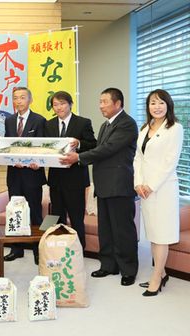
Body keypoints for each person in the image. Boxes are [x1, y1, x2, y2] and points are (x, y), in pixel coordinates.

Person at [61, 87, 138, 286]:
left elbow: (108, 149)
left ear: (117, 103)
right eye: (100, 101)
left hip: (119, 184)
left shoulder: (127, 124)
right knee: (106, 228)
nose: (100, 105)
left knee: (122, 229)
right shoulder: (106, 125)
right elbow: (97, 148)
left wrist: (78, 158)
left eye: (104, 101)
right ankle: (108, 265)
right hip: (104, 184)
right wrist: (78, 148)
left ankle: (128, 269)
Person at [134, 89, 183, 296]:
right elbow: (138, 158)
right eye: (153, 103)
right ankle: (161, 272)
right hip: (144, 190)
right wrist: (138, 184)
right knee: (153, 234)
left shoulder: (175, 128)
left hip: (162, 189)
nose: (157, 106)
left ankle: (156, 278)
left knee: (161, 235)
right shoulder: (145, 127)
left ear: (168, 105)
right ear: (148, 107)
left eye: (161, 103)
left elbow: (170, 162)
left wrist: (151, 185)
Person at [44, 91, 97, 249]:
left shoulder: (83, 122)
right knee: (56, 217)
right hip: (56, 179)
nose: (59, 107)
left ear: (70, 104)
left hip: (76, 179)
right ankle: (59, 248)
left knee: (76, 218)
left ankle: (79, 250)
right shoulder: (49, 124)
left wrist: (79, 143)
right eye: (55, 104)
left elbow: (93, 145)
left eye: (62, 103)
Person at [3, 87, 46, 263]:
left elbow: (43, 147)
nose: (19, 101)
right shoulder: (10, 121)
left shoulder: (39, 120)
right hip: (14, 174)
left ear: (30, 100)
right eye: (15, 98)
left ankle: (38, 249)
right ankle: (16, 249)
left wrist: (37, 162)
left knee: (35, 212)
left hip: (32, 175)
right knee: (15, 212)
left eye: (22, 97)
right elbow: (8, 144)